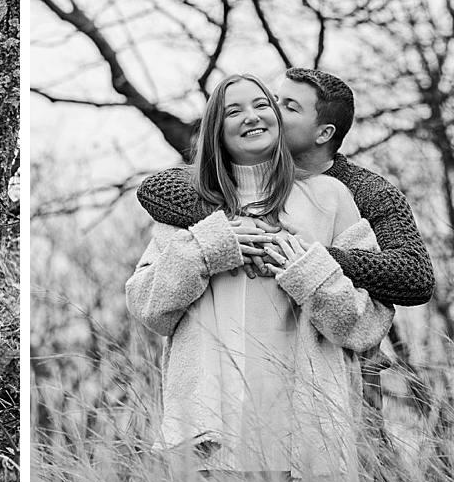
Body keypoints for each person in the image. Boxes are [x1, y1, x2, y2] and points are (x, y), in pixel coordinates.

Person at [125, 74, 394, 478]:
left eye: (262, 105)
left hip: (310, 449)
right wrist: (207, 248)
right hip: (209, 448)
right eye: (234, 110)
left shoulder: (330, 198)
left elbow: (368, 323)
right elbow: (148, 306)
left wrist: (307, 270)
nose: (251, 117)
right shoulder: (188, 206)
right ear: (218, 128)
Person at [137, 67, 434, 307]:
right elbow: (155, 189)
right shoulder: (239, 176)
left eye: (288, 107)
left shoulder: (366, 191)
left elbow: (414, 275)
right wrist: (241, 224)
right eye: (275, 100)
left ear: (323, 134)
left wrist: (311, 256)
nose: (271, 112)